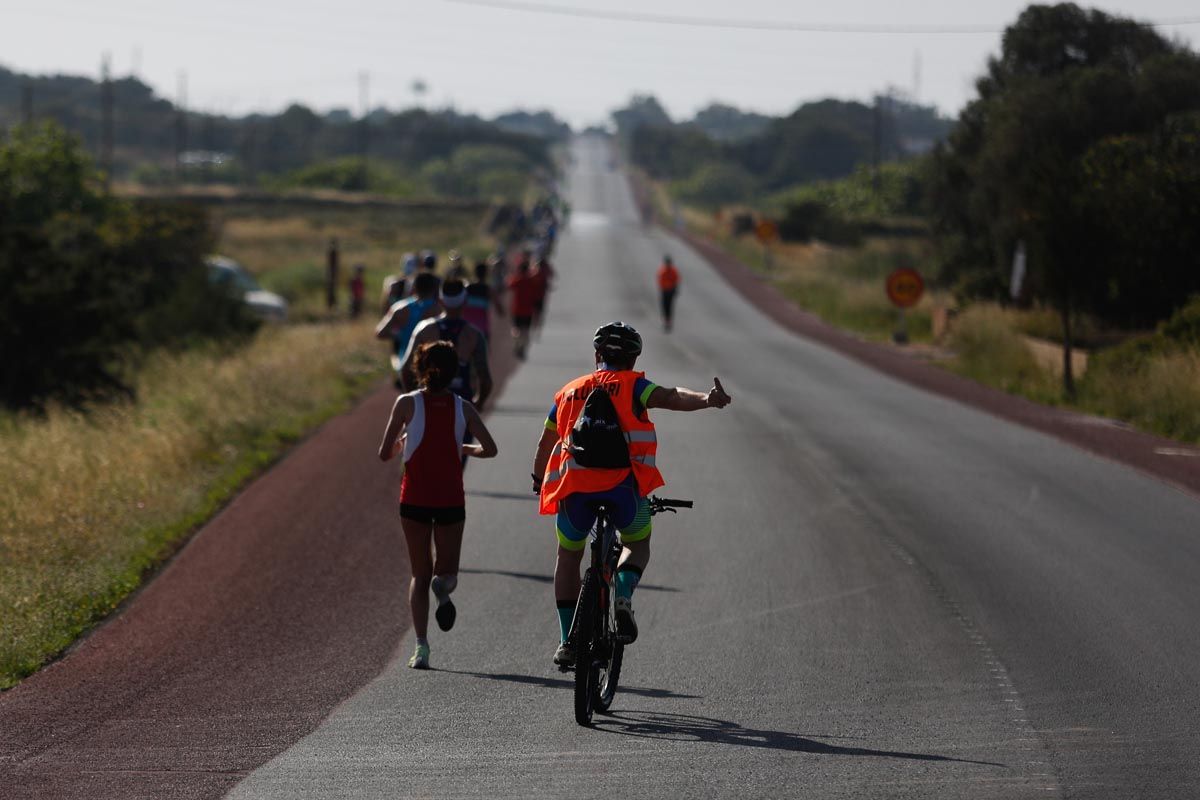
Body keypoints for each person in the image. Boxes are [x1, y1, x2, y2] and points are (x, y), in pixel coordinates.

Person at [530, 322, 731, 667]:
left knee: (568, 556)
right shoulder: (634, 386)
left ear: (597, 355)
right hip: (624, 490)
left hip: (575, 492)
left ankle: (567, 641)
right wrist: (707, 399)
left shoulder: (569, 392)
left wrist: (538, 478)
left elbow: (545, 442)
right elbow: (671, 396)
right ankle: (622, 592)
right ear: (635, 358)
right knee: (637, 544)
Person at [378, 341, 499, 669]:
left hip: (414, 498)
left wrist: (404, 444)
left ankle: (421, 647)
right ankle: (442, 589)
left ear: (420, 366)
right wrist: (461, 447)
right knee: (447, 573)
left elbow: (384, 452)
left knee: (419, 573)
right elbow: (490, 449)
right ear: (454, 371)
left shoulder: (406, 403)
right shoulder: (464, 407)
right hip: (449, 500)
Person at [400, 279, 493, 412]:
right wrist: (478, 404)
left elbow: (405, 370)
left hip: (426, 407)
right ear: (465, 300)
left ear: (440, 300)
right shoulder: (474, 334)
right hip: (460, 408)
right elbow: (485, 380)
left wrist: (414, 402)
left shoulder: (424, 329)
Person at [376, 271, 441, 387]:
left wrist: (400, 335)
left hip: (406, 364)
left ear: (414, 287)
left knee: (410, 401)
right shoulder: (439, 309)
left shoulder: (400, 308)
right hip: (433, 366)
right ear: (435, 288)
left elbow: (380, 332)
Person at [506, 259, 538, 360]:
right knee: (526, 331)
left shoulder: (517, 280)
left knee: (516, 329)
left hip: (517, 309)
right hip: (528, 310)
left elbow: (509, 284)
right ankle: (522, 347)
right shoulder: (532, 280)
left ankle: (517, 343)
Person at [465, 260, 503, 341]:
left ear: (474, 272)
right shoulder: (489, 290)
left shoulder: (467, 288)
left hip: (466, 328)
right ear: (486, 274)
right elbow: (499, 309)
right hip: (482, 330)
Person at [657, 255, 680, 332]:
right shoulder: (662, 271)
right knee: (664, 306)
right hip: (664, 291)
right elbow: (660, 281)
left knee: (669, 306)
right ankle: (666, 321)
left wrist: (675, 289)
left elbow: (676, 280)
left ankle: (668, 321)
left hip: (670, 291)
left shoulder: (673, 271)